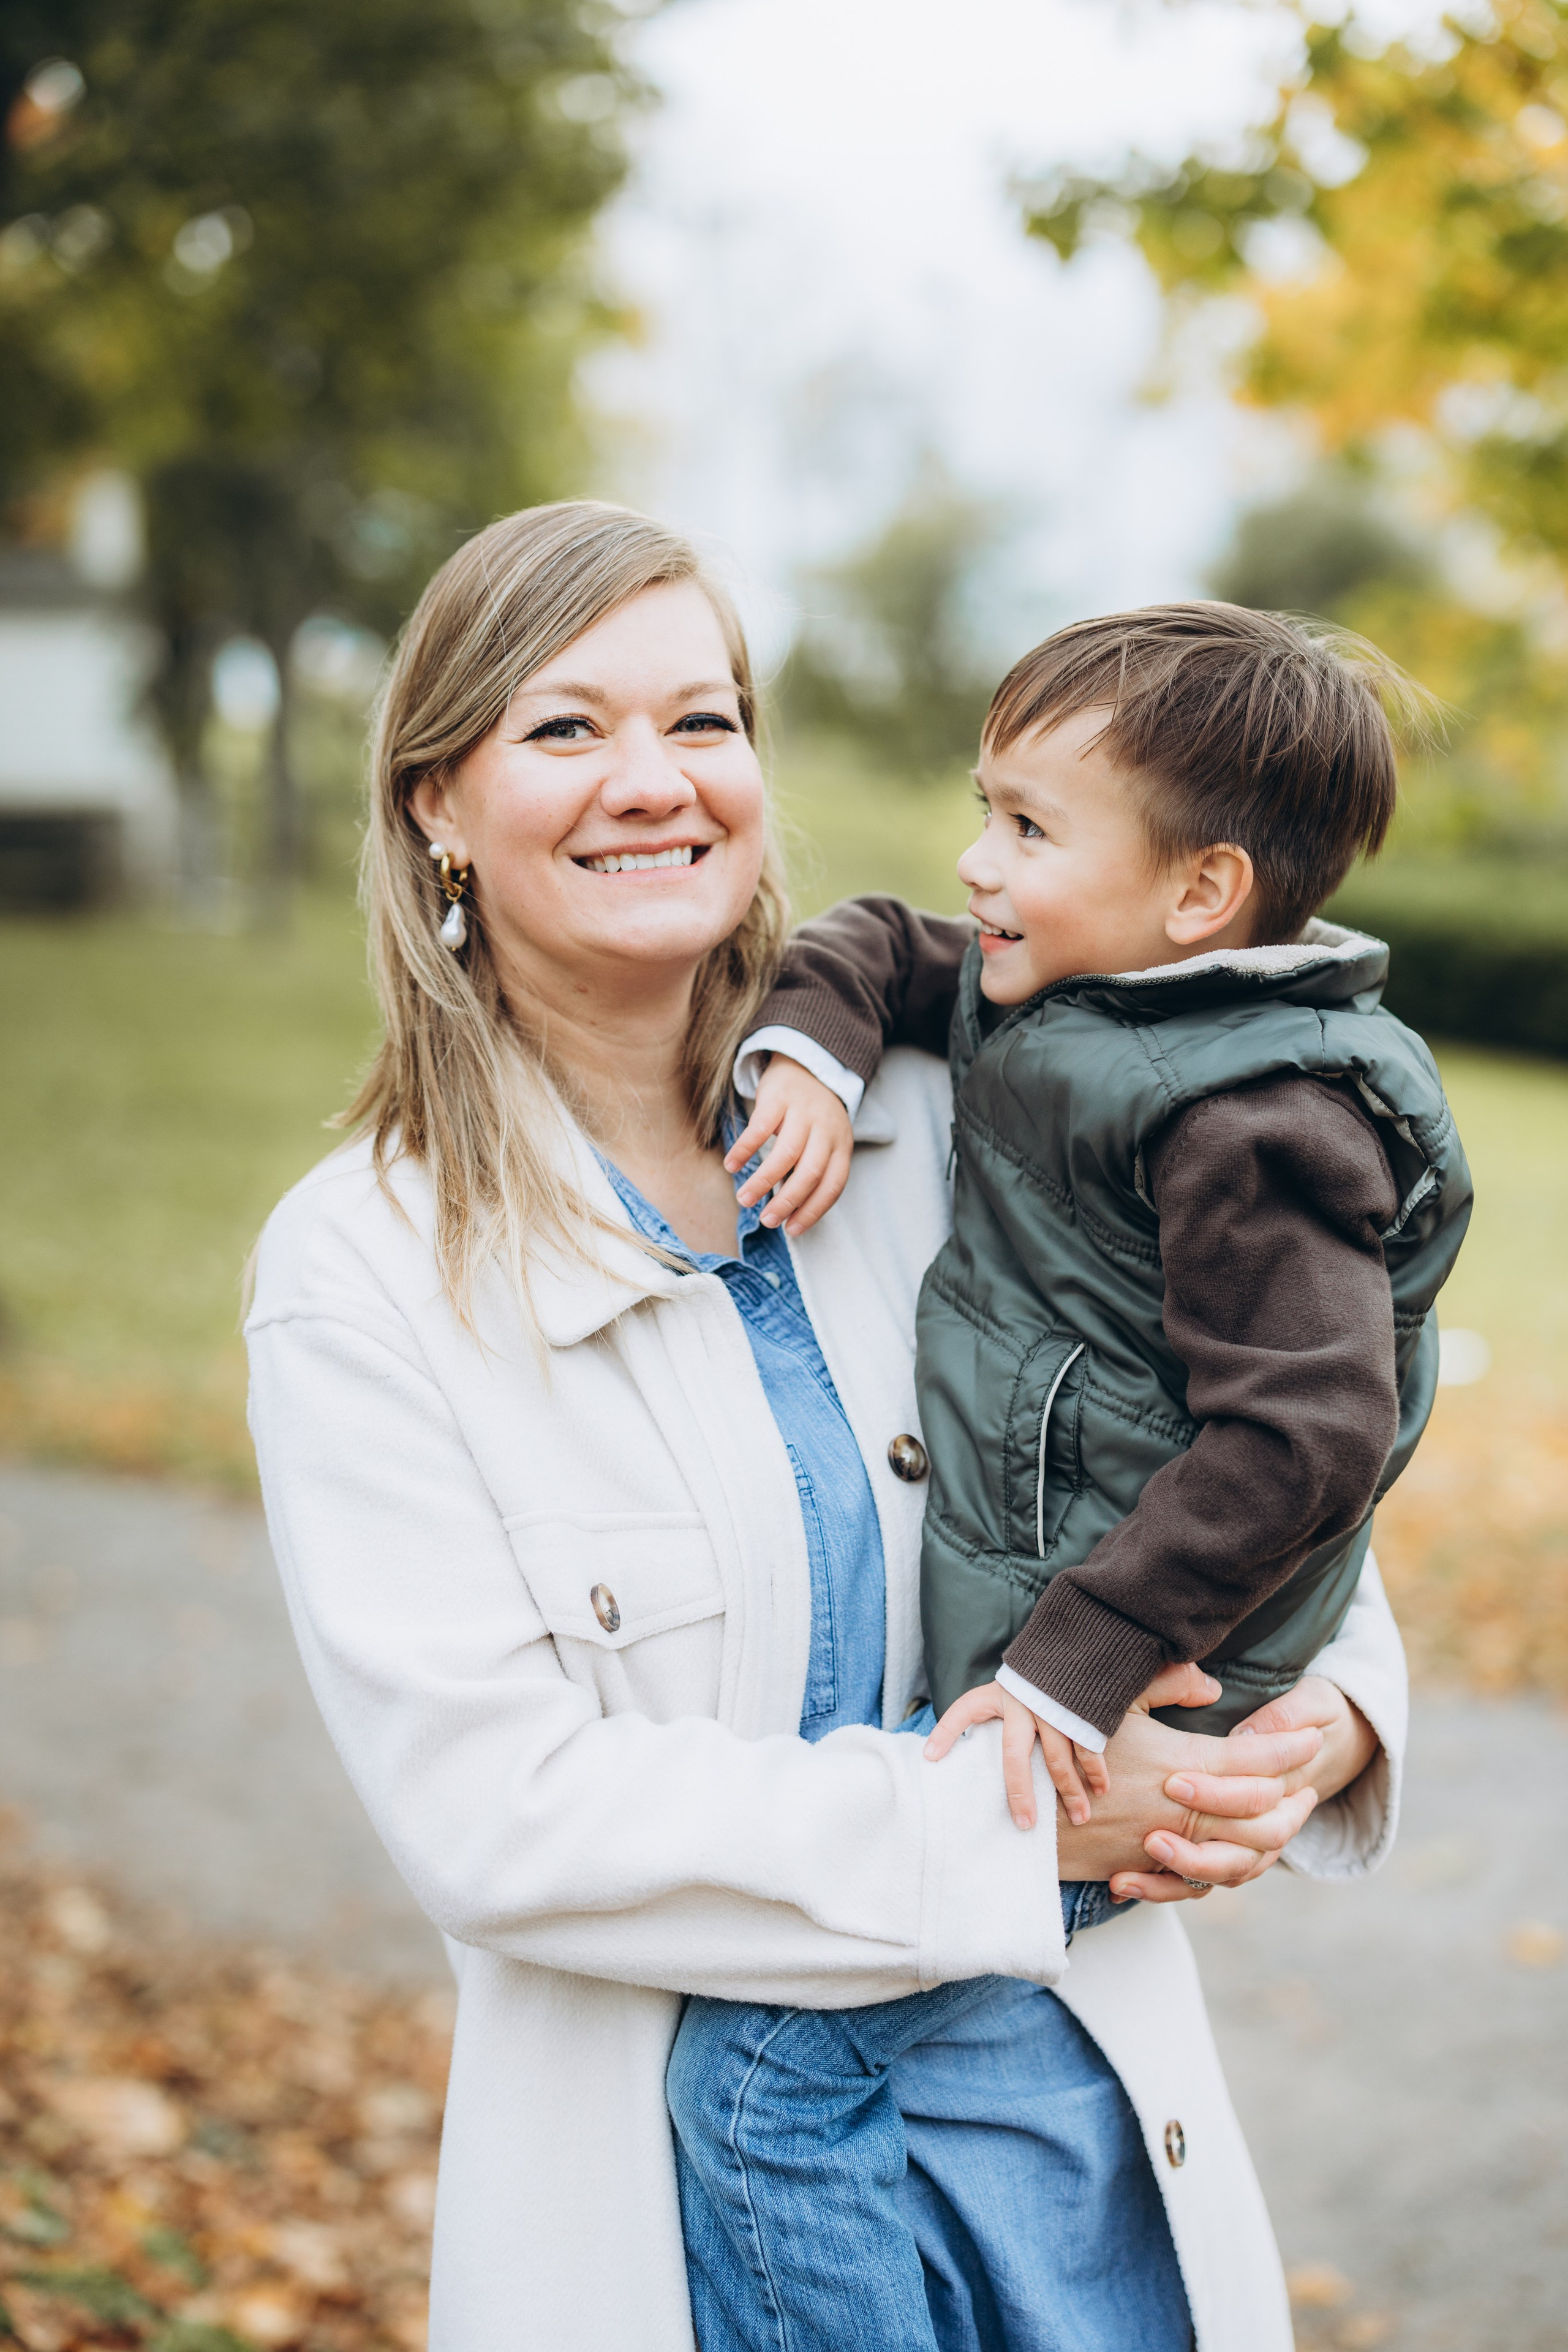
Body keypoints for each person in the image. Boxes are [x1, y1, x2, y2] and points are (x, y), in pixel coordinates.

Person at [244, 505, 1409, 2352]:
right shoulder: (367, 1269)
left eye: (703, 720)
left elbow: (1257, 1441)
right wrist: (1014, 1833)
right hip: (699, 2190)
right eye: (567, 727)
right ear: (435, 802)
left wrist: (1319, 1725)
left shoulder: (974, 1105)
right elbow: (495, 1817)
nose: (655, 779)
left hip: (1076, 2143)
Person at [666, 604, 1468, 2350]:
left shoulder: (1261, 1121)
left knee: (771, 2071)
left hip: (1144, 1686)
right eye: (988, 807)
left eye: (1030, 827)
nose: (980, 860)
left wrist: (1073, 1666)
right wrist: (810, 1048)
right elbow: (885, 939)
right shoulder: (1076, 985)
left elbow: (1310, 1433)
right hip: (1056, 1648)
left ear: (1201, 895)